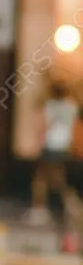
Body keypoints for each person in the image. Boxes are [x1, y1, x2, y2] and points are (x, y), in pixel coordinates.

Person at [29, 82, 78, 232]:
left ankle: (40, 209)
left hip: (50, 145)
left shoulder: (50, 106)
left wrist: (38, 144)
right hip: (64, 146)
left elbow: (44, 126)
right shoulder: (71, 106)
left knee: (41, 178)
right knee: (59, 179)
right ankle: (72, 205)